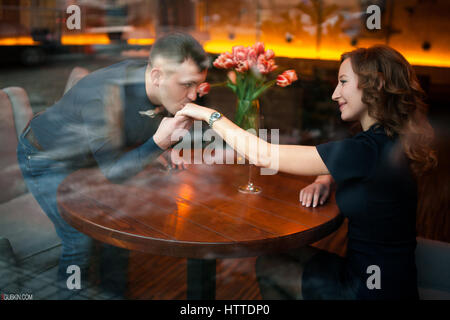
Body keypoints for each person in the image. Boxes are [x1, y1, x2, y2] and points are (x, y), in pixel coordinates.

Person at [176, 45, 437, 299]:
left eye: (343, 82)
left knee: (268, 266)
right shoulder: (387, 141)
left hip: (365, 291)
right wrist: (325, 179)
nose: (335, 94)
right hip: (392, 281)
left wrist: (208, 115)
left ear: (375, 85)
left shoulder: (364, 151)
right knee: (274, 257)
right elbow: (355, 167)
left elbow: (262, 155)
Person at [16, 32, 209, 299]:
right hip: (45, 158)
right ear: (156, 76)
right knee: (78, 241)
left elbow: (139, 123)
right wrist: (158, 144)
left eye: (197, 85)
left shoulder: (161, 88)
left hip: (91, 159)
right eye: (187, 85)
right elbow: (114, 172)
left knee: (119, 227)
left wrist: (167, 149)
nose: (193, 95)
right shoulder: (106, 96)